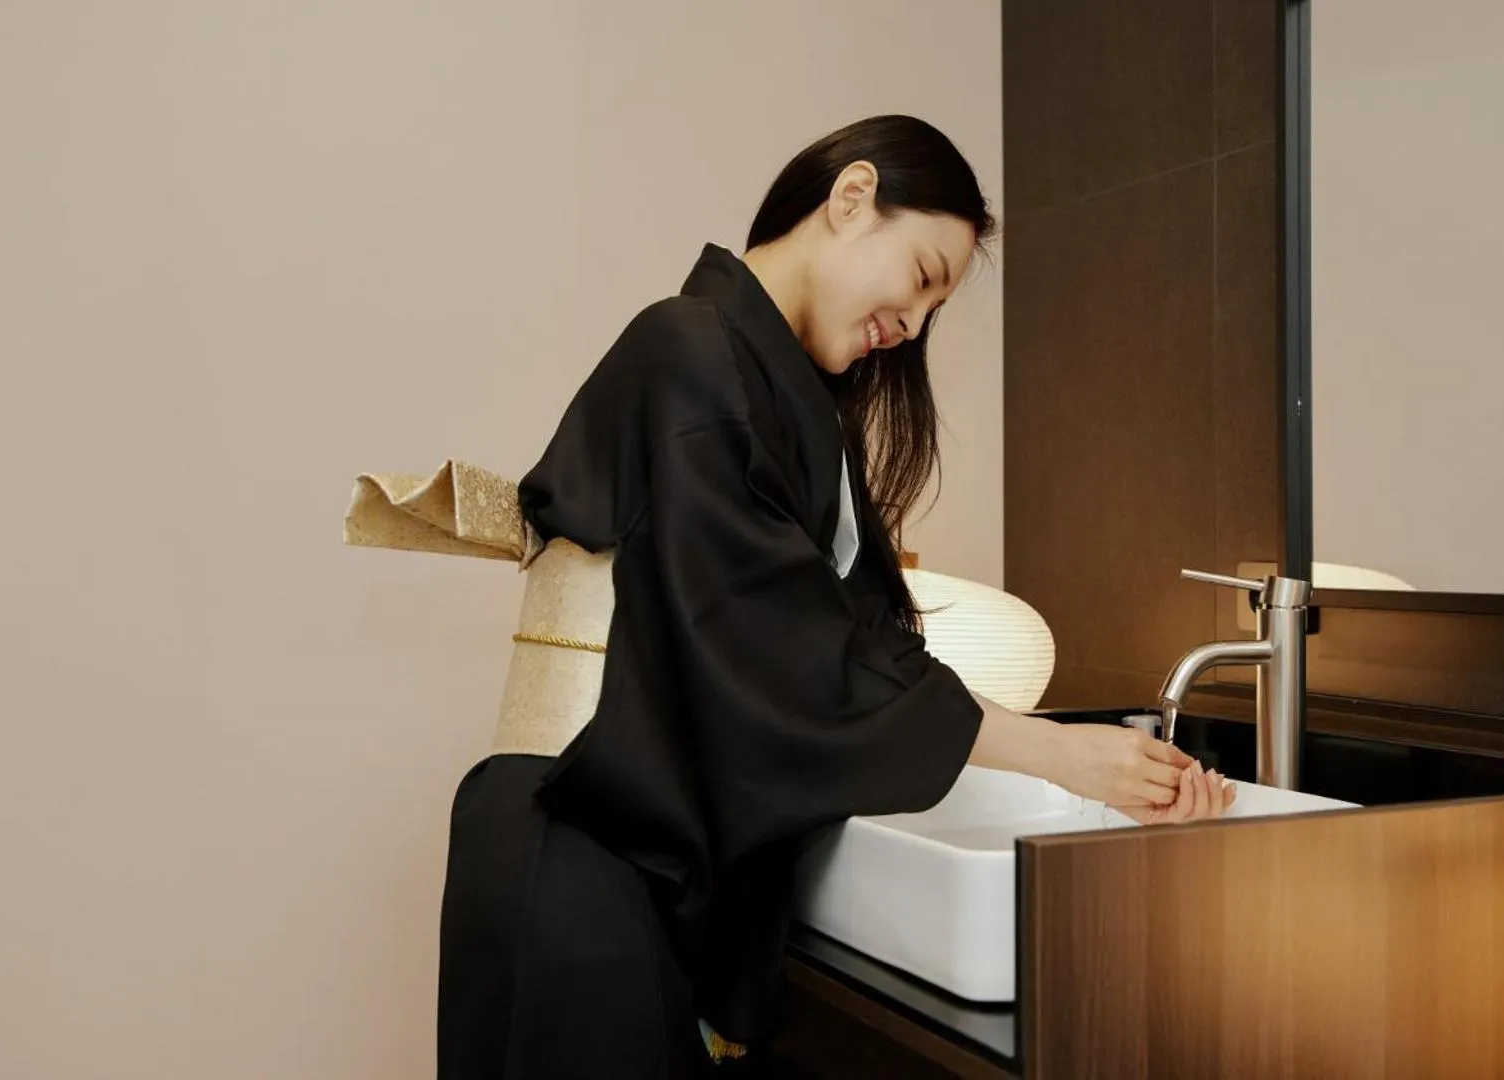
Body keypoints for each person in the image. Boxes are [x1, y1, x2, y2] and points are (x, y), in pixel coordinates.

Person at [437, 115, 1234, 1079]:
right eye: (925, 277)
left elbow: (847, 639)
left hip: (629, 844)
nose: (914, 324)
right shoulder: (682, 347)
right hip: (574, 839)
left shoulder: (787, 399)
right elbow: (779, 642)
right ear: (851, 199)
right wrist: (1060, 754)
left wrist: (1077, 761)